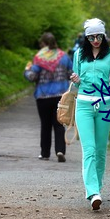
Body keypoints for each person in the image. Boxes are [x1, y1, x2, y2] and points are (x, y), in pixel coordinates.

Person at [70, 18, 110, 210]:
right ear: (86, 37)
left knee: (101, 150)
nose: (95, 40)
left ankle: (97, 188)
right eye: (91, 37)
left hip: (105, 105)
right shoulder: (78, 55)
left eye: (99, 36)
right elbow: (76, 84)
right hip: (83, 105)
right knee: (89, 150)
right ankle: (92, 192)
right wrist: (75, 79)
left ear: (104, 35)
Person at [24, 32, 73, 162]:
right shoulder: (64, 57)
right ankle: (60, 150)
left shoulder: (39, 58)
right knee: (59, 124)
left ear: (43, 44)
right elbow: (71, 74)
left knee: (45, 125)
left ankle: (45, 153)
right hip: (60, 96)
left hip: (43, 96)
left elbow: (32, 77)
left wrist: (27, 70)